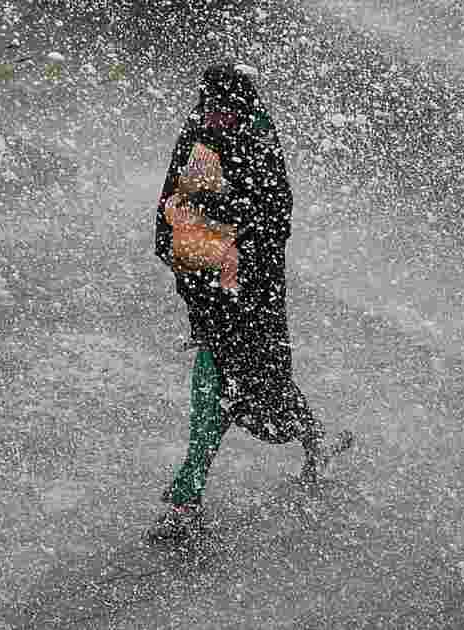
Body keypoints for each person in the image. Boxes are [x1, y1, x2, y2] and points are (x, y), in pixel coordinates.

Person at [149, 62, 353, 541]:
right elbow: (174, 212)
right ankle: (186, 497)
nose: (216, 118)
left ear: (241, 109)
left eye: (225, 111)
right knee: (215, 392)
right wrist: (198, 241)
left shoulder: (259, 143)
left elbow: (273, 217)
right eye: (211, 108)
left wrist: (223, 233)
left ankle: (311, 440)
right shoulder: (202, 135)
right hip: (215, 301)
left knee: (265, 390)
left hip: (252, 298)